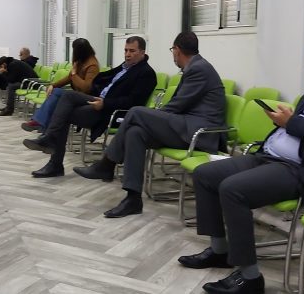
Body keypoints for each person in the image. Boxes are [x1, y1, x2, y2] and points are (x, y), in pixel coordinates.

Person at [177, 34, 304, 294]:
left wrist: (291, 122)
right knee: (205, 174)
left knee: (232, 189)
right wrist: (284, 121)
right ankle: (220, 250)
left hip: (302, 169)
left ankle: (250, 278)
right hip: (269, 157)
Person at [74, 32, 226, 218]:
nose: (173, 55)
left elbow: (177, 106)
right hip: (185, 125)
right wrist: (154, 116)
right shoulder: (195, 67)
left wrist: (153, 116)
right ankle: (133, 199)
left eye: (172, 50)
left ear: (177, 50)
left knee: (136, 112)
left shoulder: (199, 69)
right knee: (135, 133)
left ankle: (107, 164)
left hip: (199, 133)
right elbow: (179, 106)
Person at [24, 36, 157, 178]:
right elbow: (102, 81)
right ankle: (51, 146)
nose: (127, 54)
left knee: (64, 110)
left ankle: (53, 155)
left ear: (142, 52)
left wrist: (105, 104)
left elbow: (133, 102)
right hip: (98, 100)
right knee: (65, 99)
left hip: (111, 111)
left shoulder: (146, 73)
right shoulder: (124, 67)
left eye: (132, 51)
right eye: (125, 50)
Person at [21, 38, 99, 132]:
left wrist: (74, 74)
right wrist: (53, 85)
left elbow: (86, 88)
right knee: (55, 93)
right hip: (77, 95)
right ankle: (43, 127)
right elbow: (69, 78)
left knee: (57, 94)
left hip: (86, 97)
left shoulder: (92, 65)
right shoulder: (81, 61)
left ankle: (39, 123)